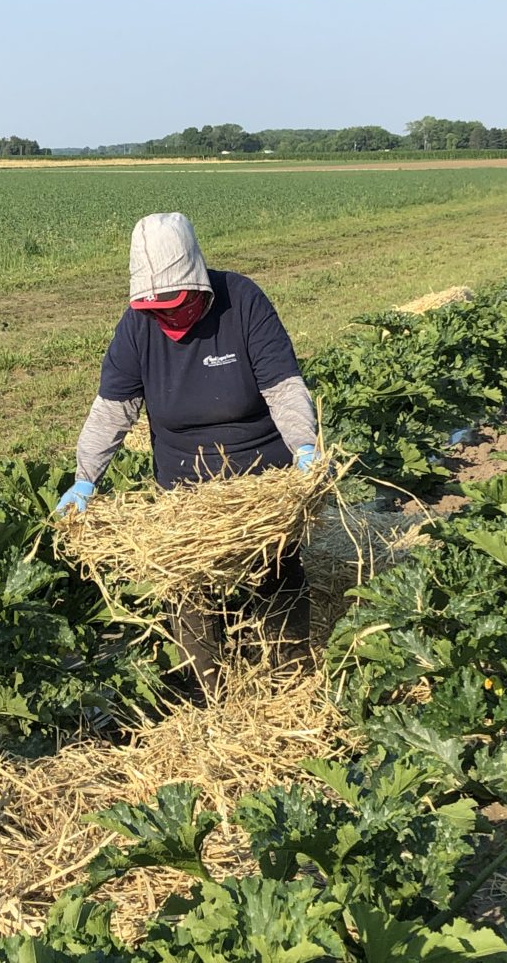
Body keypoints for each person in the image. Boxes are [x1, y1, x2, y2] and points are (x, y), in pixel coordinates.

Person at [56, 212, 320, 690]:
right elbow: (112, 410)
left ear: (199, 284)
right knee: (186, 584)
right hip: (185, 489)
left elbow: (283, 388)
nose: (168, 318)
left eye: (176, 306)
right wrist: (84, 478)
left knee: (275, 569)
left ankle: (289, 672)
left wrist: (303, 447)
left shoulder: (242, 301)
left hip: (261, 480)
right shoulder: (136, 328)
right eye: (156, 310)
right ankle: (209, 686)